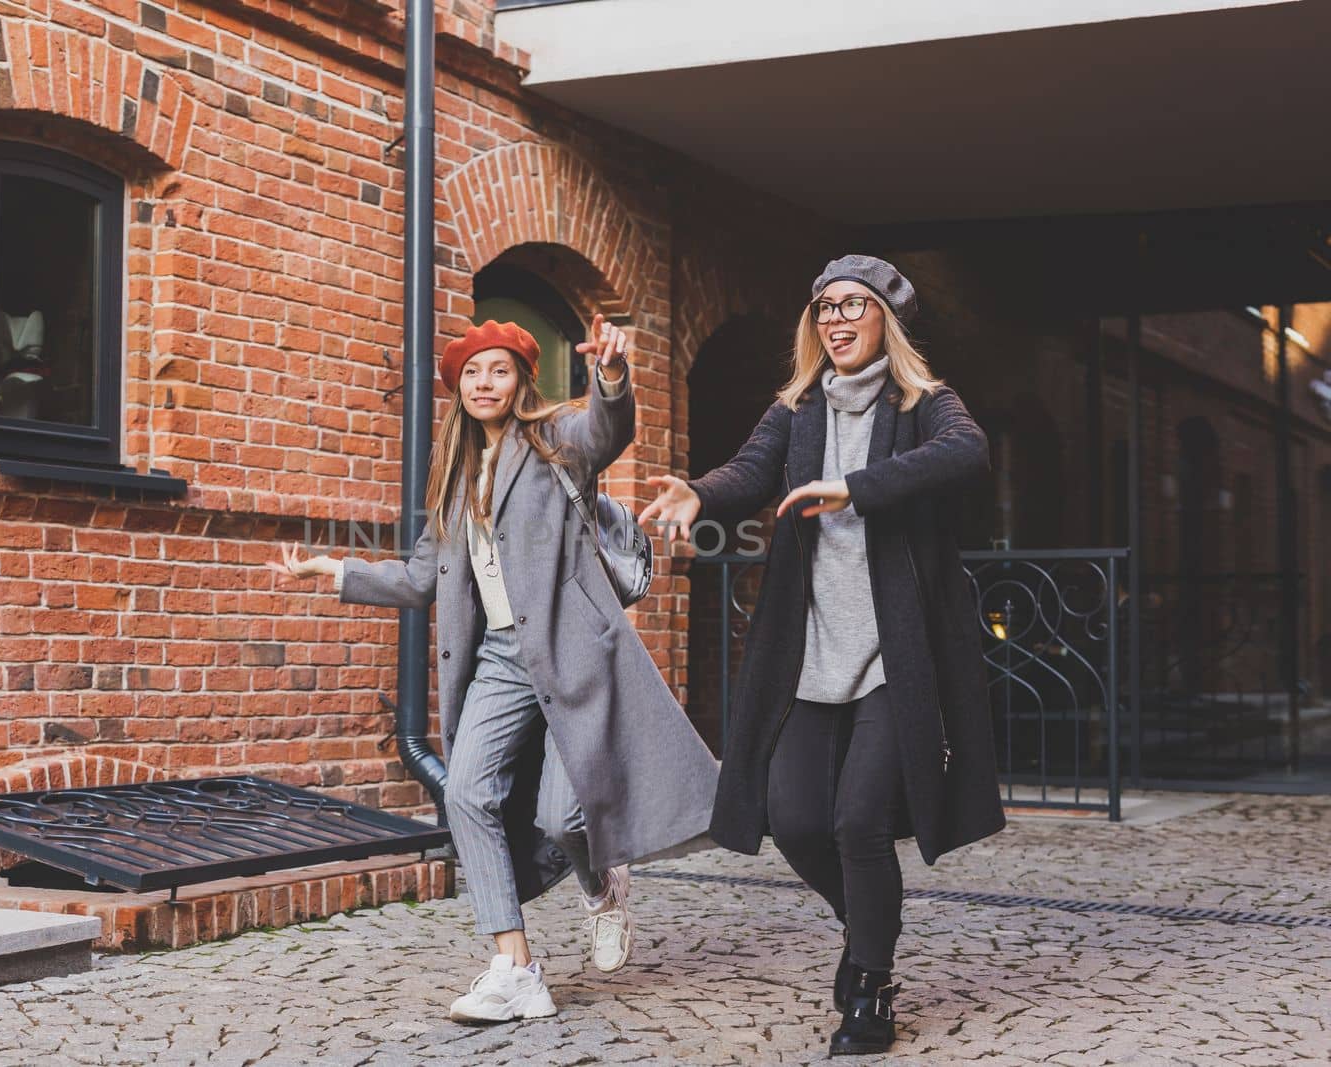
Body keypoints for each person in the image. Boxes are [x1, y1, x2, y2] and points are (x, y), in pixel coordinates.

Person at [272, 315, 719, 1024]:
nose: (486, 382)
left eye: (500, 370)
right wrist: (339, 570)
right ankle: (515, 965)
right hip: (500, 659)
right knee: (467, 791)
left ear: (520, 381)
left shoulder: (555, 441)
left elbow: (609, 432)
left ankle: (603, 886)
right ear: (458, 387)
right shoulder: (453, 474)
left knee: (562, 815)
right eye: (473, 372)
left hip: (571, 651)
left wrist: (610, 375)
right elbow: (424, 577)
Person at [641, 255, 1004, 1056]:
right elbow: (749, 471)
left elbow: (967, 453)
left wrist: (857, 486)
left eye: (853, 305)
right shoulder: (797, 409)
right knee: (797, 817)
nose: (836, 319)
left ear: (886, 319)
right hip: (808, 651)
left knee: (857, 819)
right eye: (824, 307)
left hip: (891, 654)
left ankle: (869, 989)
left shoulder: (926, 403)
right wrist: (700, 492)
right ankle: (869, 926)